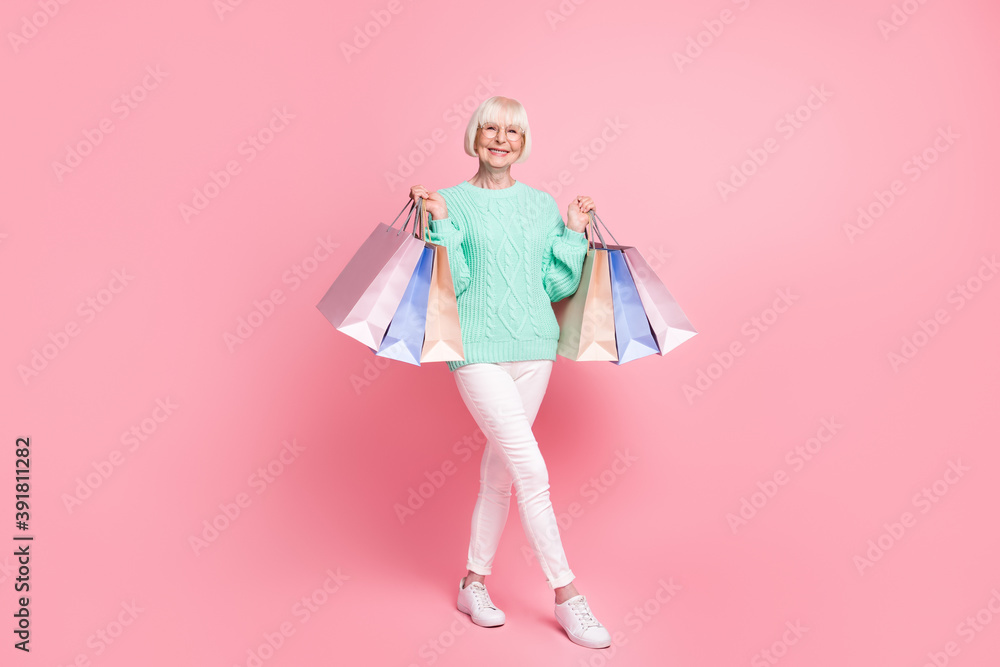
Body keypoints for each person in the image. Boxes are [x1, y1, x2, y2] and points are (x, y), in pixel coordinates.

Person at [409, 95, 611, 650]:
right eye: (491, 129)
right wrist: (442, 226)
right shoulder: (447, 202)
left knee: (501, 471)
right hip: (476, 349)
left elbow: (555, 288)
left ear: (523, 142)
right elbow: (457, 284)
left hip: (535, 349)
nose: (501, 139)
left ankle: (472, 583)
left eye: (513, 132)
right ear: (474, 136)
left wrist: (571, 232)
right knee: (531, 470)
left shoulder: (542, 205)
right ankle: (568, 595)